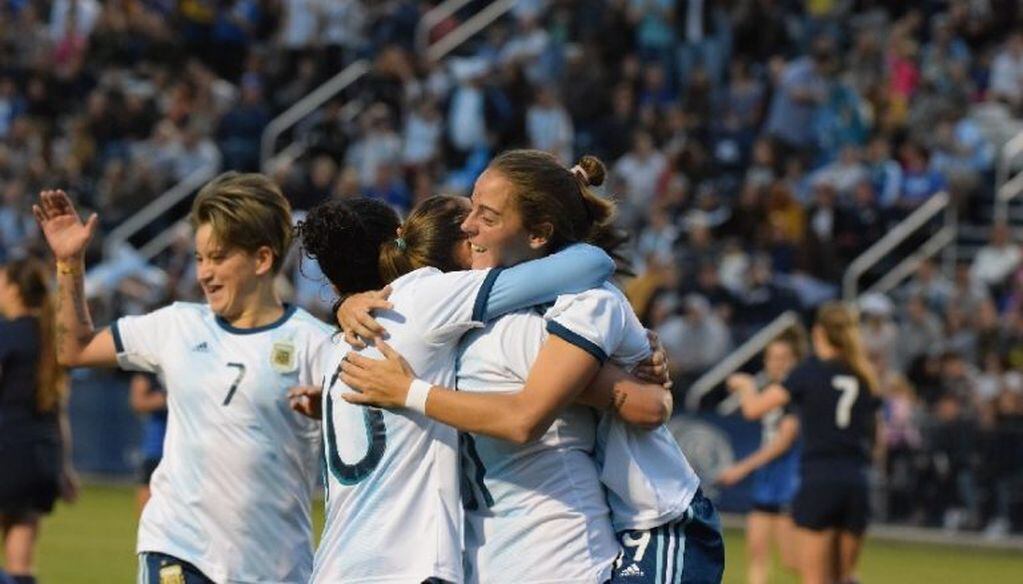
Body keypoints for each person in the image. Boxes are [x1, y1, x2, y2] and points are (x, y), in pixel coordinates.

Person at [340, 150, 723, 584]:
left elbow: (646, 407)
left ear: (539, 234)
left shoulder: (578, 305)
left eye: (487, 216)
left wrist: (410, 391)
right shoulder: (475, 328)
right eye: (470, 214)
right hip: (590, 530)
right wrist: (348, 305)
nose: (470, 227)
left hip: (656, 520)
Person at [293, 193, 659, 583]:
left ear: (333, 285)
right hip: (406, 567)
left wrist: (344, 304)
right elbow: (594, 262)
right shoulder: (424, 298)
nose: (475, 228)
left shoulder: (343, 339)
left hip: (334, 564)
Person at [32, 174, 332, 584]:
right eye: (199, 257)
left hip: (275, 567)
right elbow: (75, 350)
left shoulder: (316, 344)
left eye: (219, 257)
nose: (204, 273)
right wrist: (69, 264)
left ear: (262, 259)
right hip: (178, 551)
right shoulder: (177, 325)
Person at [730, 303, 883, 584]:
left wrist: (745, 387)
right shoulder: (864, 374)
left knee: (815, 578)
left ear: (818, 332)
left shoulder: (809, 371)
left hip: (820, 479)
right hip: (856, 482)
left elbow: (753, 410)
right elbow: (878, 439)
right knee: (845, 576)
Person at [0, 258, 78, 584]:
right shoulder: (51, 338)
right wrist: (64, 467)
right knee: (21, 562)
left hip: (6, 449)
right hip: (41, 457)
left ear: (15, 290)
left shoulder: (6, 334)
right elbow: (58, 408)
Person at [716, 328, 806, 584]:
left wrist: (746, 386)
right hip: (767, 483)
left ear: (795, 361)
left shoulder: (795, 395)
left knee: (794, 561)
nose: (777, 364)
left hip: (789, 484)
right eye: (772, 358)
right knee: (756, 553)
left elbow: (782, 443)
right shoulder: (773, 392)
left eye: (783, 358)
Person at [128, 373, 166, 514]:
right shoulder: (152, 370)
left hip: (186, 454)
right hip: (156, 450)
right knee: (147, 515)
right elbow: (138, 401)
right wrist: (170, 398)